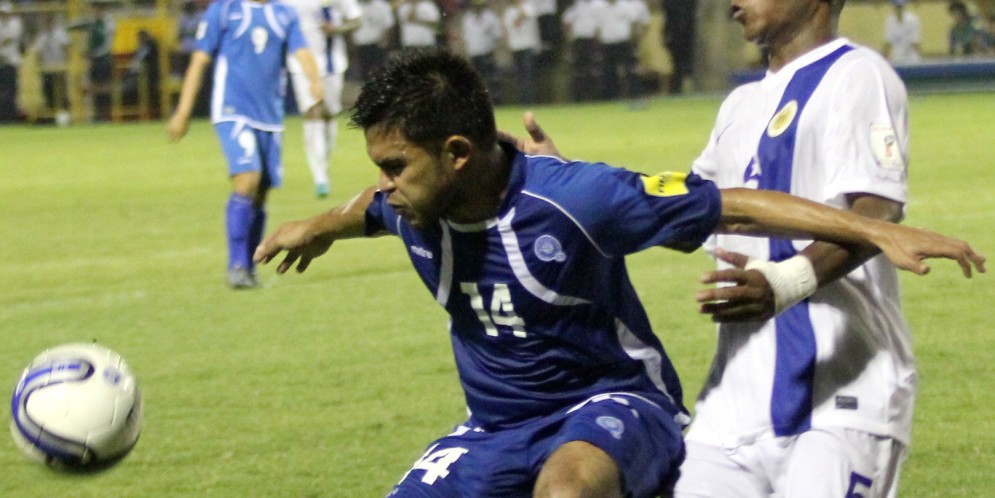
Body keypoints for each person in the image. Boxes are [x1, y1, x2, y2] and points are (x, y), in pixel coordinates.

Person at [252, 48, 985, 497]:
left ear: (458, 154)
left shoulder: (580, 200)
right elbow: (363, 210)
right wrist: (316, 226)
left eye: (394, 167)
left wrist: (873, 229)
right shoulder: (410, 202)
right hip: (496, 426)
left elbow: (731, 205)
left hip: (615, 402)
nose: (383, 187)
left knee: (566, 491)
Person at [659, 0, 941, 495]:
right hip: (730, 411)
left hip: (840, 396)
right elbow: (684, 213)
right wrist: (569, 183)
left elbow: (875, 210)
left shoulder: (856, 75)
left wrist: (786, 281)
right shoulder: (739, 104)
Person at [167, 0, 323, 289]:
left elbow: (301, 49)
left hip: (270, 117)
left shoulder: (283, 14)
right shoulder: (225, 10)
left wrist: (315, 80)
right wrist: (183, 112)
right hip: (232, 110)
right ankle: (236, 266)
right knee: (247, 177)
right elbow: (200, 59)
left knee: (261, 192)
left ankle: (249, 267)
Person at [283, 0, 363, 199]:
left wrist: (336, 29)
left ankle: (323, 166)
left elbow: (356, 20)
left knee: (328, 114)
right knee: (313, 112)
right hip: (300, 62)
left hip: (332, 63)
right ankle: (319, 177)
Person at [598, 0, 650, 103]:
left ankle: (635, 94)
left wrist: (634, 38)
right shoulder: (601, 8)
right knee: (609, 71)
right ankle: (611, 97)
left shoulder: (625, 6)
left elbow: (635, 22)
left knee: (630, 69)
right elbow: (598, 26)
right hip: (607, 44)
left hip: (623, 43)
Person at [563, 0, 607, 101]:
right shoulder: (576, 5)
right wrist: (569, 39)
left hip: (594, 41)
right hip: (579, 42)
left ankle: (595, 97)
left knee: (595, 69)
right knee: (579, 71)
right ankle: (579, 97)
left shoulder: (599, 4)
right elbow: (567, 21)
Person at [460, 0, 503, 104]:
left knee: (493, 80)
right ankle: (479, 104)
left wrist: (494, 48)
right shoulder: (467, 19)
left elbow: (497, 35)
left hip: (487, 52)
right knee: (476, 81)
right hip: (474, 54)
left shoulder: (490, 17)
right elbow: (466, 38)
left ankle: (496, 102)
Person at [503, 0, 542, 105]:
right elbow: (509, 27)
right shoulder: (509, 12)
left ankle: (530, 100)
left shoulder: (529, 7)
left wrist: (519, 7)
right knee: (519, 75)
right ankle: (522, 100)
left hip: (527, 46)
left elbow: (525, 15)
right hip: (515, 47)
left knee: (528, 75)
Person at [352, 0, 396, 79]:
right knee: (364, 73)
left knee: (379, 71)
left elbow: (389, 25)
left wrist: (384, 40)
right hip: (362, 45)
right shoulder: (356, 7)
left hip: (376, 44)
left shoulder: (382, 6)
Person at [661, 0, 696, 94]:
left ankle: (683, 87)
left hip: (685, 34)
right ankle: (677, 87)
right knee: (677, 63)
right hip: (677, 35)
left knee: (683, 62)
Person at [0, 0, 23, 123]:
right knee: (3, 91)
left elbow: (9, 39)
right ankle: (3, 117)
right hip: (1, 62)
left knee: (10, 91)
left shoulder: (15, 23)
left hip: (11, 62)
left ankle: (10, 117)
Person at [884, 0, 921, 65]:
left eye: (900, 7)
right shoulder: (890, 21)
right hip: (896, 59)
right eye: (896, 7)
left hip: (911, 60)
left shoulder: (912, 20)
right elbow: (888, 43)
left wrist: (920, 59)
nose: (898, 9)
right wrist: (883, 60)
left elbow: (915, 43)